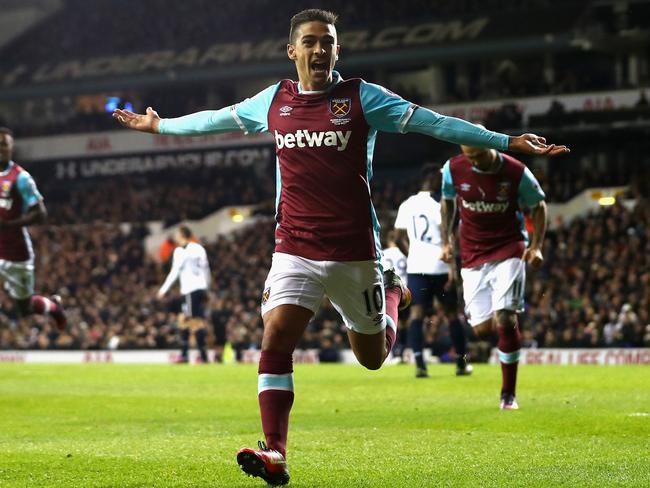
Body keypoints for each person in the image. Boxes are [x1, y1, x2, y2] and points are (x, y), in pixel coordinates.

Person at [113, 9, 568, 485]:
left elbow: (434, 124)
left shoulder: (361, 98)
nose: (318, 50)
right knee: (275, 339)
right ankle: (276, 452)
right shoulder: (274, 101)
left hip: (354, 252)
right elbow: (215, 121)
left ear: (337, 50)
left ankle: (392, 292)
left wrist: (508, 141)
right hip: (293, 247)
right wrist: (160, 126)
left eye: (326, 42)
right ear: (292, 51)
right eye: (309, 41)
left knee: (372, 358)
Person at [440, 142, 548, 410]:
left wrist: (535, 246)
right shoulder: (453, 168)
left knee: (505, 317)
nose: (475, 162)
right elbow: (447, 202)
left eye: (479, 155)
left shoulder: (516, 171)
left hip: (509, 247)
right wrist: (446, 241)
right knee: (482, 329)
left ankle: (508, 394)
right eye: (470, 157)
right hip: (472, 253)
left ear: (490, 146)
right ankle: (504, 337)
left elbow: (539, 206)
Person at [394, 163, 472, 378]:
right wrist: (453, 270)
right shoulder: (441, 204)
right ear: (432, 179)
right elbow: (448, 238)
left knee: (417, 315)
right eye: (441, 178)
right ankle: (461, 363)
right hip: (441, 266)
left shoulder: (407, 204)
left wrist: (413, 255)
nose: (444, 182)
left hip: (417, 268)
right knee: (451, 315)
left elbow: (399, 237)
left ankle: (419, 363)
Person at [0, 127, 67, 331]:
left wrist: (9, 225)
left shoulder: (20, 178)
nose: (0, 148)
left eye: (5, 144)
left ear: (11, 149)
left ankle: (53, 306)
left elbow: (41, 213)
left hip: (16, 253)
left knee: (25, 308)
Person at [158, 226, 210, 364]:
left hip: (190, 289)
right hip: (200, 288)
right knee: (183, 319)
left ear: (182, 235)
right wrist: (207, 288)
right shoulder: (199, 249)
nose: (175, 236)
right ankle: (184, 354)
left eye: (177, 233)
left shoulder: (180, 251)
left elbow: (175, 272)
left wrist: (163, 290)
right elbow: (206, 269)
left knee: (194, 321)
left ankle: (202, 356)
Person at [380, 228, 408, 361]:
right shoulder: (405, 253)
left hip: (389, 293)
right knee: (404, 324)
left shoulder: (384, 254)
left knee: (391, 323)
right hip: (404, 292)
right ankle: (402, 351)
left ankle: (395, 353)